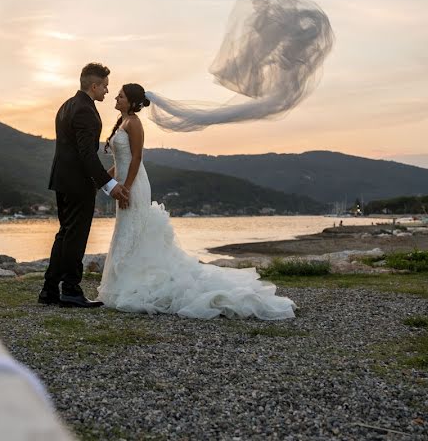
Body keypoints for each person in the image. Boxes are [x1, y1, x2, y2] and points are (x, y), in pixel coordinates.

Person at [96, 83, 296, 319]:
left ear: (131, 101)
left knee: (132, 229)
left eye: (120, 96)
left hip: (135, 185)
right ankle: (123, 283)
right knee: (126, 230)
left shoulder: (135, 123)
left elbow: (137, 157)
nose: (116, 99)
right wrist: (103, 179)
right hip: (123, 183)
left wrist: (126, 188)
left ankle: (134, 284)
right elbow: (121, 161)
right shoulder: (122, 123)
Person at [39, 63, 129, 308]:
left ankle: (49, 290)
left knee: (65, 234)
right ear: (94, 85)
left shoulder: (66, 106)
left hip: (61, 180)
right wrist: (109, 184)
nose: (107, 92)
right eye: (105, 87)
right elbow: (86, 155)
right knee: (76, 237)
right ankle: (70, 289)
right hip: (78, 183)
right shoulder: (86, 111)